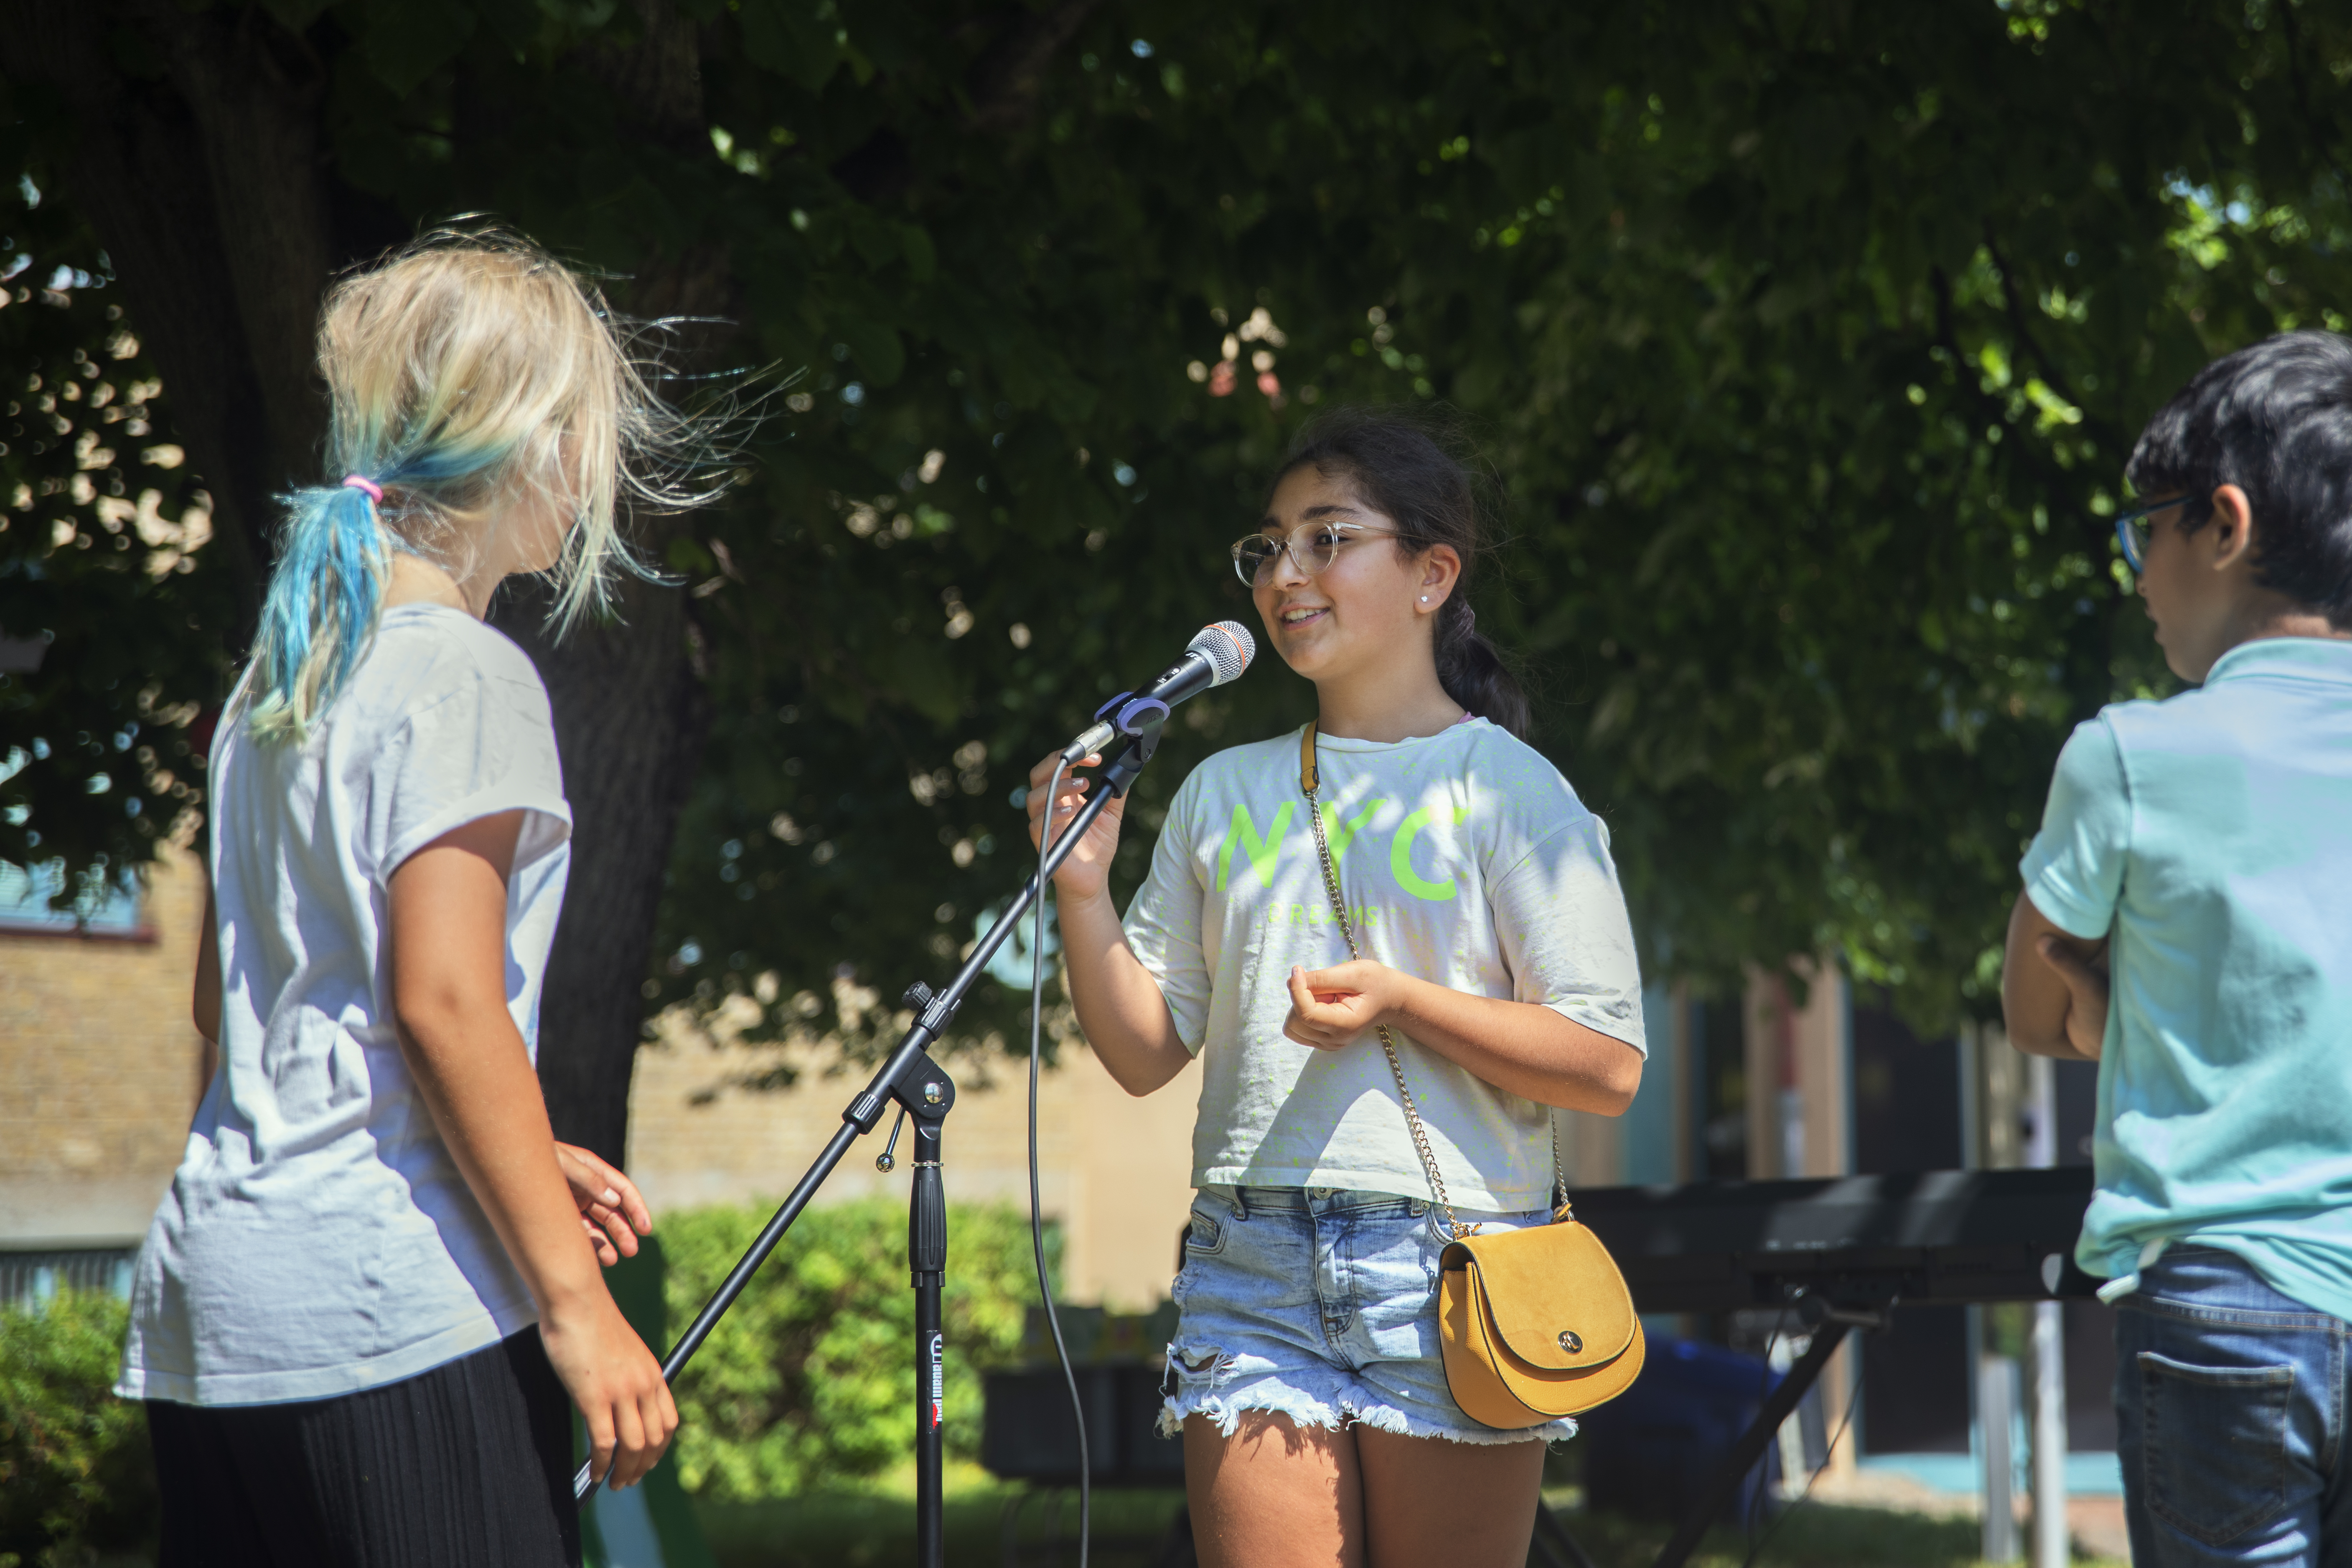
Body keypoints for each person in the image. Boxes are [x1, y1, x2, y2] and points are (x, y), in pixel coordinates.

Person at [117, 231, 715, 1568]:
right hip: (384, 1311)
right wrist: (578, 1304)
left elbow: (238, 996)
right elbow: (444, 1001)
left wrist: (493, 1142)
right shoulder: (468, 671)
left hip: (214, 1313)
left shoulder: (281, 685)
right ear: (538, 442)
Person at [1027, 409, 1647, 1568]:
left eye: (1328, 538)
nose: (1285, 573)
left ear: (1432, 573)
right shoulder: (1222, 789)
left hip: (1458, 1265)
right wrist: (1082, 895)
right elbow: (1147, 1048)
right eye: (1268, 547)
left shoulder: (1510, 787)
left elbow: (1607, 1063)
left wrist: (1403, 1000)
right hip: (1249, 1253)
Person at [2004, 330, 2352, 1566]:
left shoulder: (2129, 756)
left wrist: (2121, 996)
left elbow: (2038, 1010)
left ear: (2225, 523)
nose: (2135, 572)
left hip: (2225, 1309)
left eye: (2139, 531)